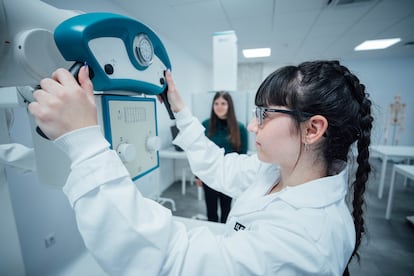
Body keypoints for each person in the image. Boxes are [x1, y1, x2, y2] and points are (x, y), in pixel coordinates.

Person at [29, 60, 373, 275]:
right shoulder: (277, 174)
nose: (254, 127)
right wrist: (179, 110)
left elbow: (171, 264)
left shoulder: (307, 238)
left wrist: (85, 143)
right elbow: (218, 165)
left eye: (265, 116)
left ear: (312, 129)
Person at [195, 91, 248, 223]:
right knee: (211, 213)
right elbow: (199, 153)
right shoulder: (205, 125)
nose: (219, 106)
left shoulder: (239, 127)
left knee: (227, 212)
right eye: (216, 103)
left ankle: (225, 240)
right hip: (210, 175)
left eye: (223, 103)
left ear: (229, 105)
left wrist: (238, 177)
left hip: (229, 177)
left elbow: (242, 155)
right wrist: (198, 175)